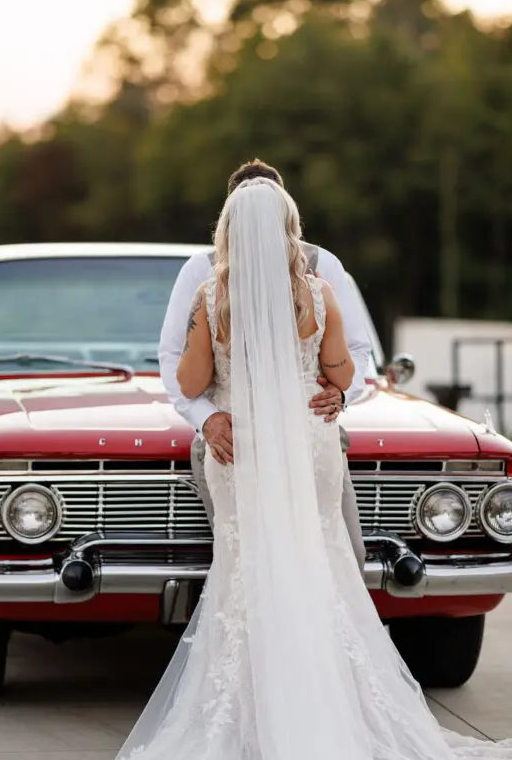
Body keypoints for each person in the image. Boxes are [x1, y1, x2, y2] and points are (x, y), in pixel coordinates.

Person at [73, 178, 512, 760]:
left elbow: (191, 373)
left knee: (250, 573)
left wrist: (229, 391)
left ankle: (258, 734)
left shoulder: (211, 295)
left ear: (228, 227)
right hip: (309, 443)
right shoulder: (316, 291)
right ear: (291, 224)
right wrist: (328, 388)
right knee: (318, 567)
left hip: (248, 451)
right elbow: (344, 370)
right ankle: (335, 726)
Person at [158, 159, 372, 569]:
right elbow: (169, 357)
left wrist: (342, 394)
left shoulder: (323, 265)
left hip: (307, 428)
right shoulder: (199, 272)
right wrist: (206, 418)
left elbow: (360, 354)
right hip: (231, 435)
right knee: (255, 557)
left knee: (345, 557)